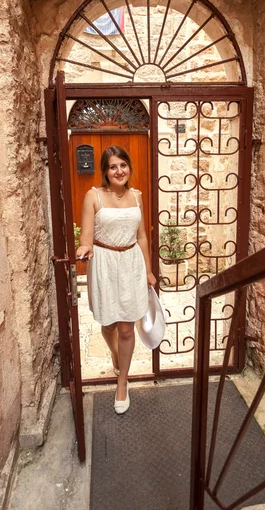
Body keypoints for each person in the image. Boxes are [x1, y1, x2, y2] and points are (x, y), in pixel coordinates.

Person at [76, 145, 156, 414]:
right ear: (105, 172)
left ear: (129, 168)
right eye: (113, 166)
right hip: (105, 265)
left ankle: (122, 382)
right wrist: (84, 248)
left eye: (123, 165)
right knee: (108, 323)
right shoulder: (93, 196)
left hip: (131, 263)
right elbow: (86, 235)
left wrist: (147, 269)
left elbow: (142, 235)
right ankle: (114, 353)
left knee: (126, 328)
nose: (119, 170)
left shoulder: (137, 196)